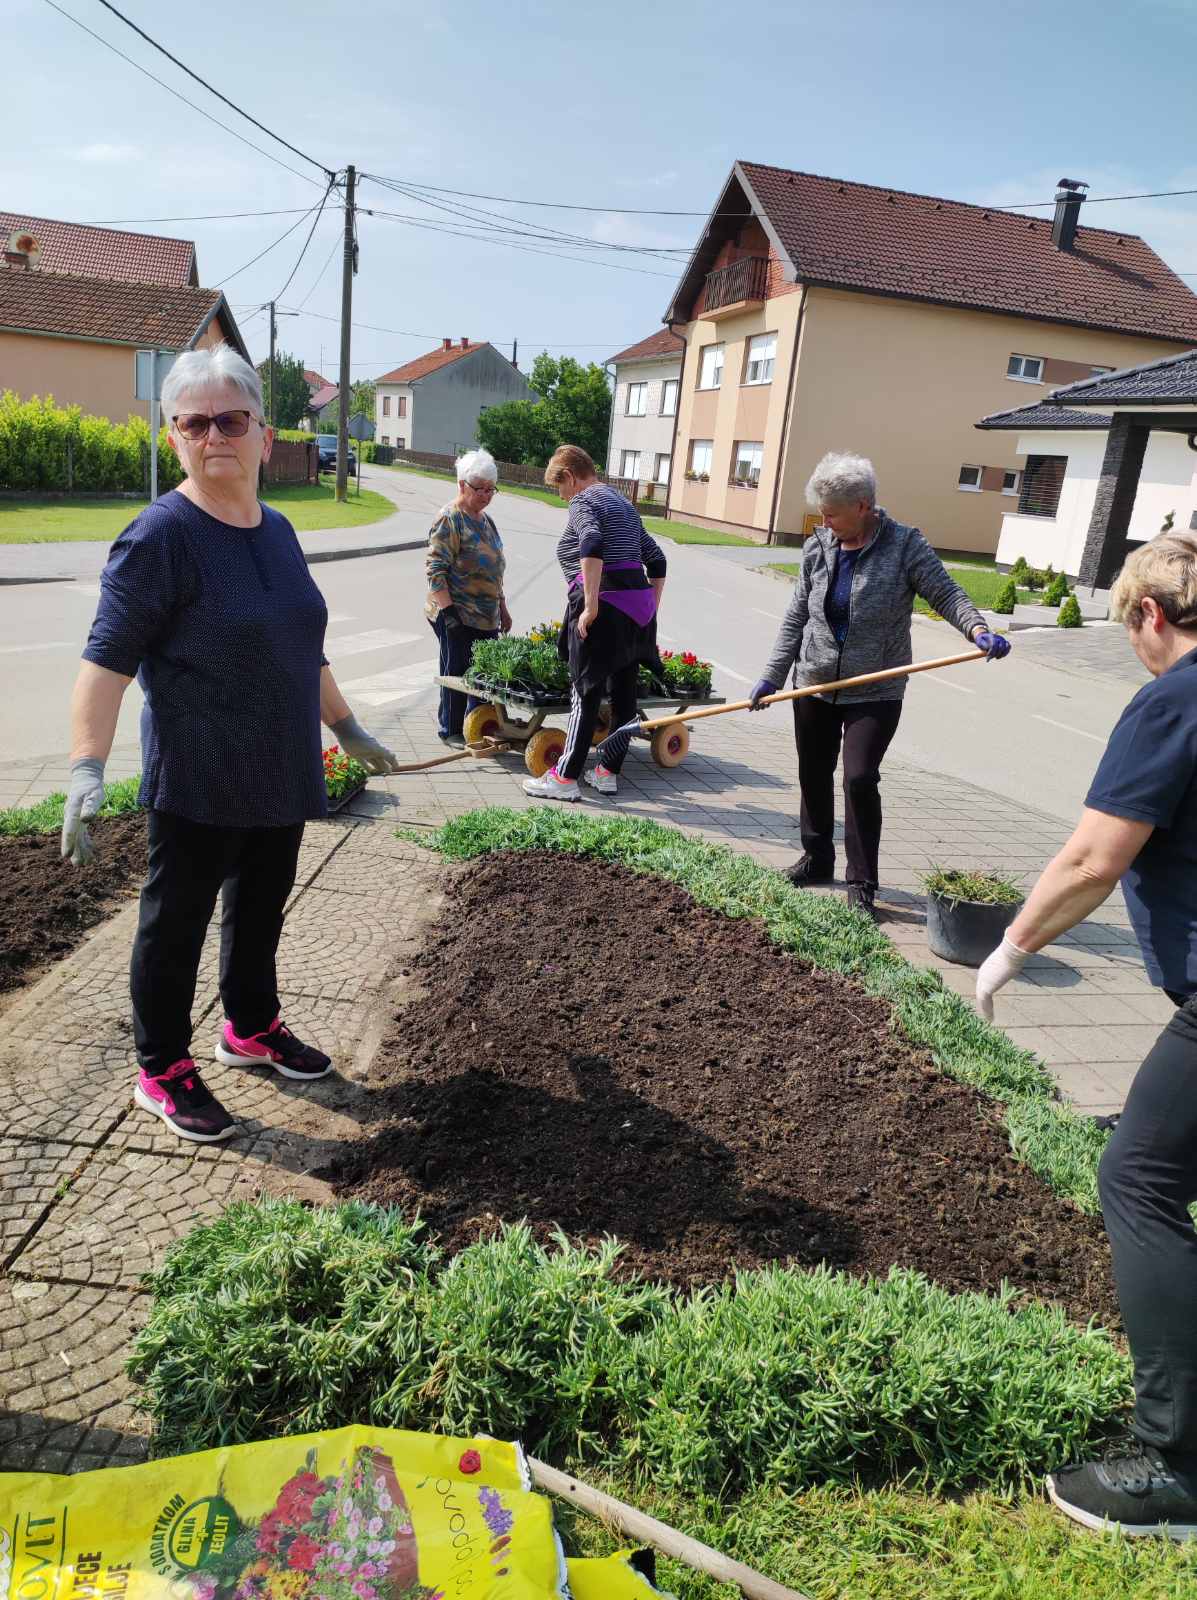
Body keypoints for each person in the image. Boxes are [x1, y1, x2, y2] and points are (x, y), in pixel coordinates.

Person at [60, 344, 401, 1145]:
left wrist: (344, 725)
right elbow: (104, 663)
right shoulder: (160, 538)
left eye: (230, 419)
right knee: (173, 926)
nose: (214, 434)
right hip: (201, 778)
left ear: (262, 431)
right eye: (194, 422)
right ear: (174, 437)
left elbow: (298, 643)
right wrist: (85, 767)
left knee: (259, 914)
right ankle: (162, 1067)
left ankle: (249, 1028)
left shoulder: (277, 530)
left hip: (281, 769)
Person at [977, 533, 1197, 1541]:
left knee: (1138, 1178)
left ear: (1150, 616)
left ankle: (1174, 1462)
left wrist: (1008, 950)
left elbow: (1091, 856)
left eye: (1130, 631)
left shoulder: (1176, 696)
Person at [748, 451, 1010, 920]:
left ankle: (862, 881)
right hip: (813, 680)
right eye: (822, 514)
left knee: (860, 778)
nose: (824, 522)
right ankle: (816, 857)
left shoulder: (905, 545)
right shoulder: (819, 547)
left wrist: (976, 629)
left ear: (864, 505)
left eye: (832, 513)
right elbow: (796, 616)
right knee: (813, 770)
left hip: (878, 685)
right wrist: (771, 674)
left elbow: (945, 592)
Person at [522, 445, 666, 802]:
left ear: (570, 477)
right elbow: (657, 560)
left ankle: (565, 777)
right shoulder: (623, 505)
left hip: (604, 608)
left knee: (584, 691)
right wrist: (649, 608)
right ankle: (607, 772)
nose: (562, 496)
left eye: (560, 487)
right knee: (624, 696)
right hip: (637, 613)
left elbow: (592, 541)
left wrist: (589, 605)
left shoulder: (584, 502)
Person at [425, 449, 511, 748]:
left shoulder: (486, 520)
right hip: (457, 612)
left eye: (491, 490)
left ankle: (477, 726)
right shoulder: (450, 519)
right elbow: (435, 570)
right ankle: (450, 729)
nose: (486, 495)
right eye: (480, 489)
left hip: (487, 615)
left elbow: (495, 568)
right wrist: (449, 614)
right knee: (457, 672)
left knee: (484, 676)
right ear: (462, 484)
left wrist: (503, 607)